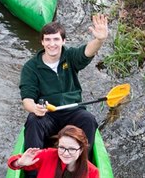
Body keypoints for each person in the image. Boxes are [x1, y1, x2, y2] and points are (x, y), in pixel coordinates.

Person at [19, 14, 109, 171]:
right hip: (48, 114)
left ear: (63, 41)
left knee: (88, 119)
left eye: (56, 39)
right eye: (47, 40)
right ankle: (33, 171)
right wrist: (35, 108)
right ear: (42, 42)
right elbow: (27, 99)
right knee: (33, 121)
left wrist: (99, 40)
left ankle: (80, 167)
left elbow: (87, 51)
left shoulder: (70, 56)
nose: (52, 44)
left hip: (72, 111)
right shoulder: (30, 67)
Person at [7, 125, 100, 178]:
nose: (65, 153)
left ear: (81, 150)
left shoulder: (92, 172)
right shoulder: (48, 155)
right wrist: (20, 162)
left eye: (71, 149)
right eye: (62, 147)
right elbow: (12, 163)